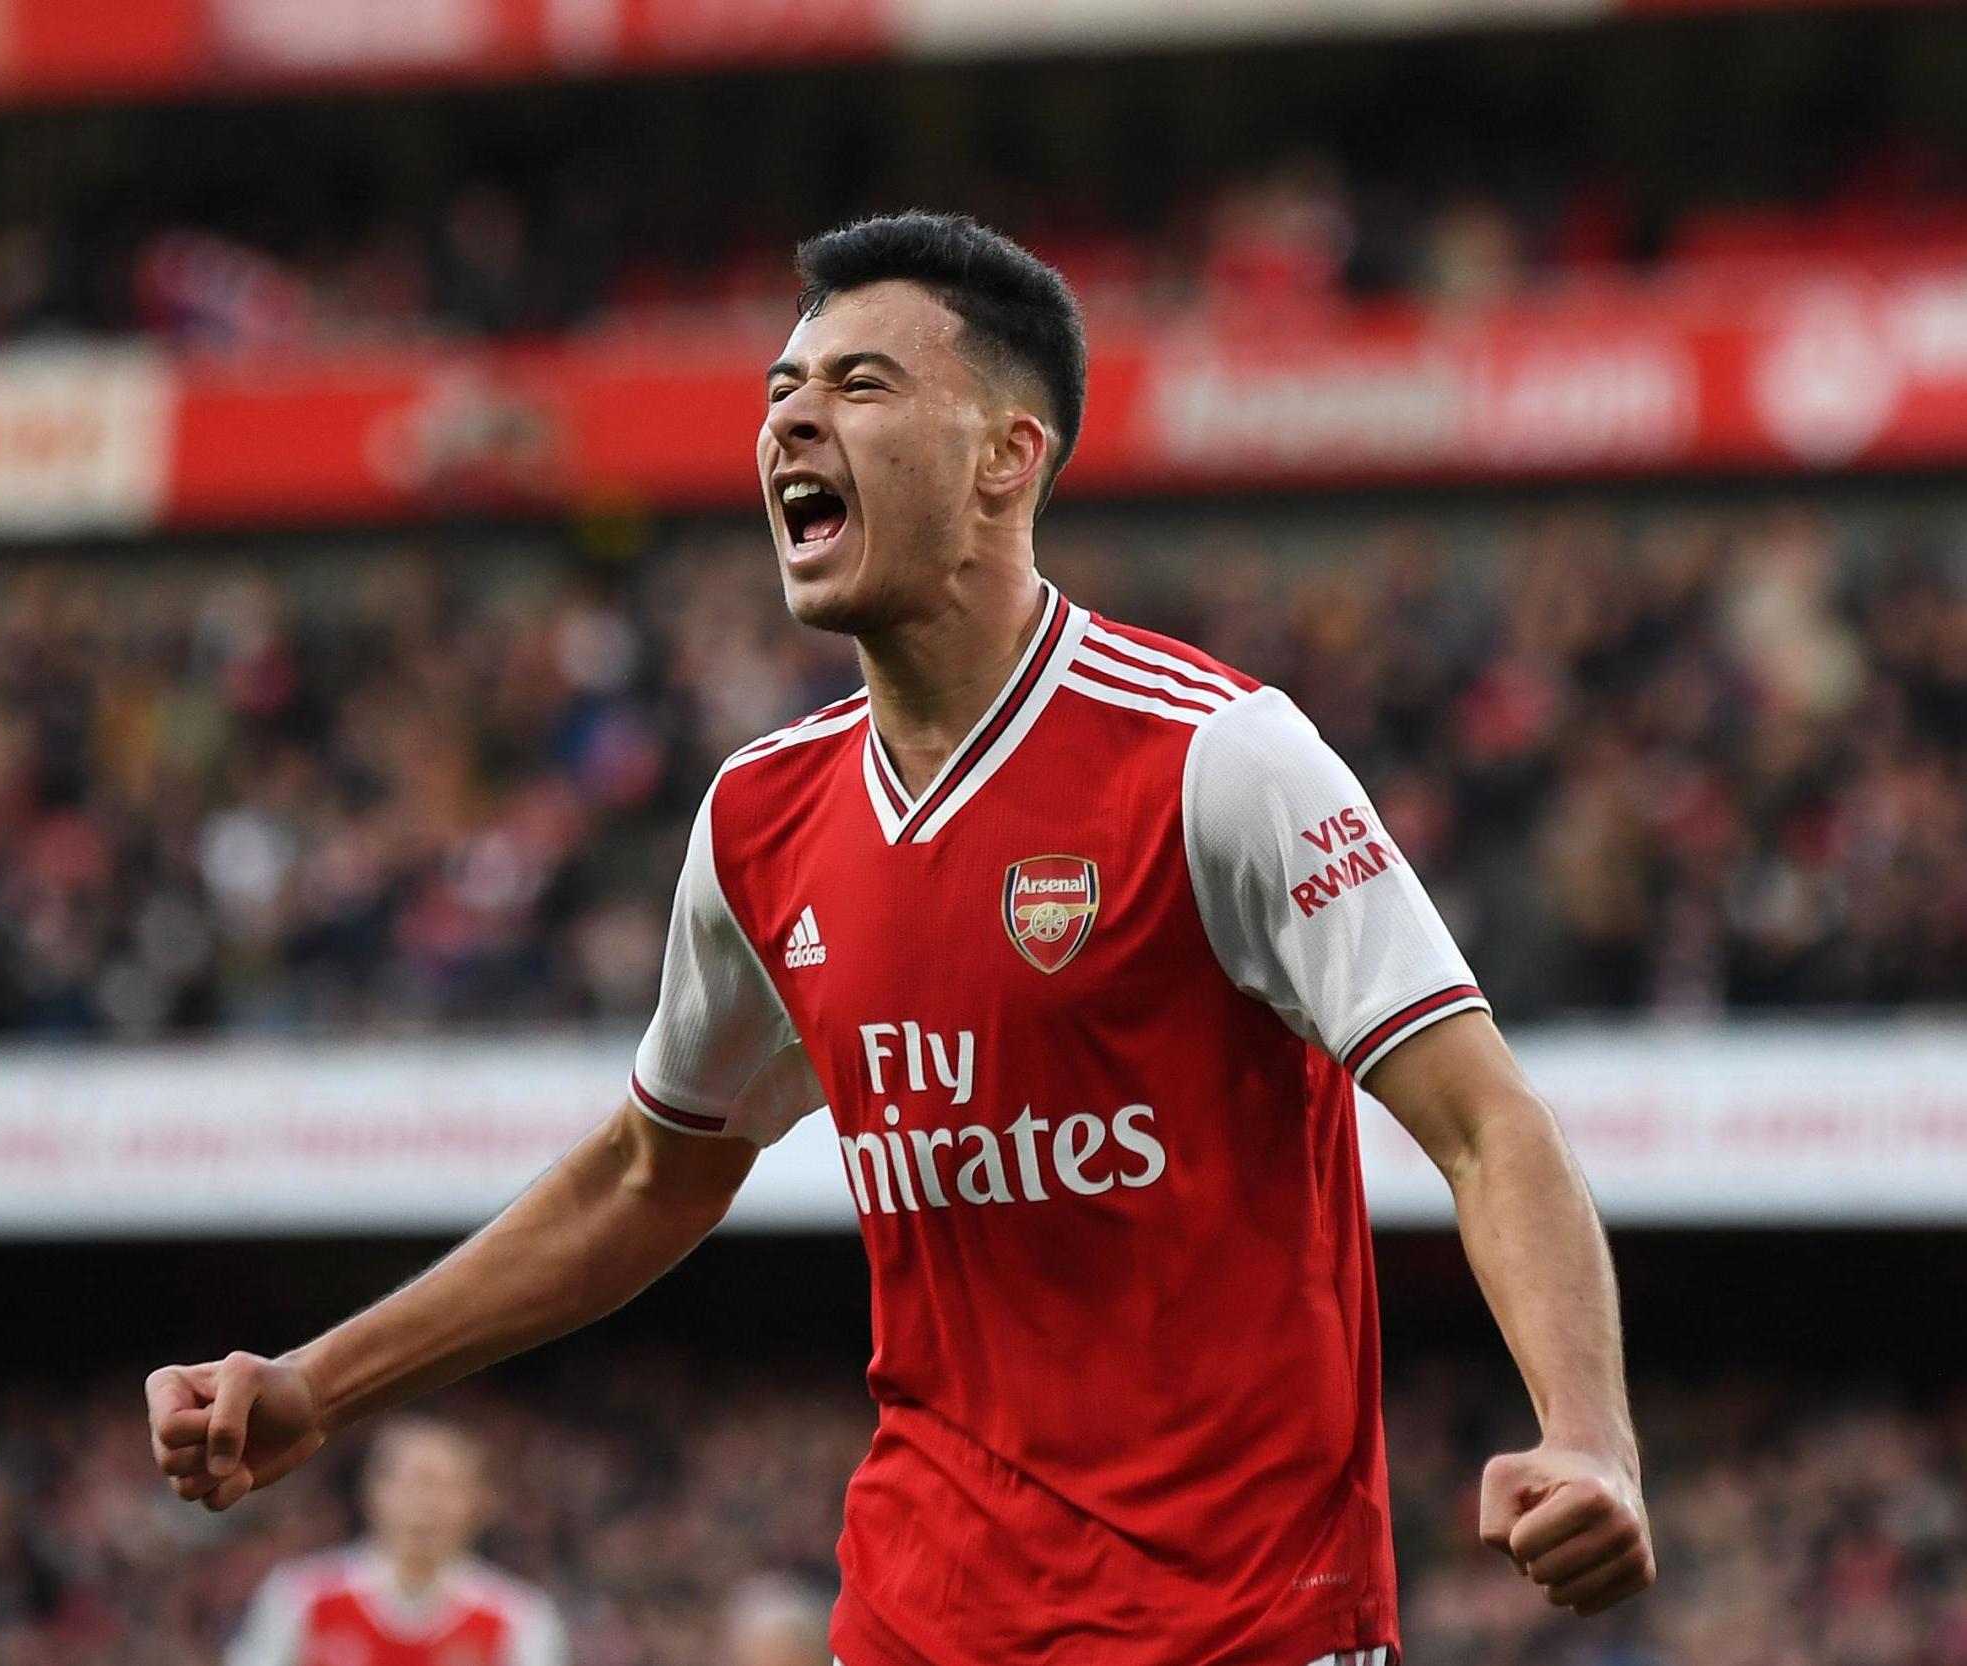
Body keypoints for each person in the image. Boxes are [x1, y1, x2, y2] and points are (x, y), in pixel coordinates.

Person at [148, 210, 1655, 1666]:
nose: (793, 421)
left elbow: (1485, 1123)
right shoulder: (758, 819)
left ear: (1009, 457)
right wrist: (314, 1385)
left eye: (859, 383)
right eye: (780, 391)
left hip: (1238, 1628)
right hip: (917, 1619)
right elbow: (645, 1172)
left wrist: (1586, 1432)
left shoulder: (1217, 762)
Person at [223, 1416, 565, 1666]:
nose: (425, 1504)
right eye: (411, 1482)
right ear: (372, 1491)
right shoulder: (301, 1595)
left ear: (481, 1500)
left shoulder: (521, 1617)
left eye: (444, 1485)